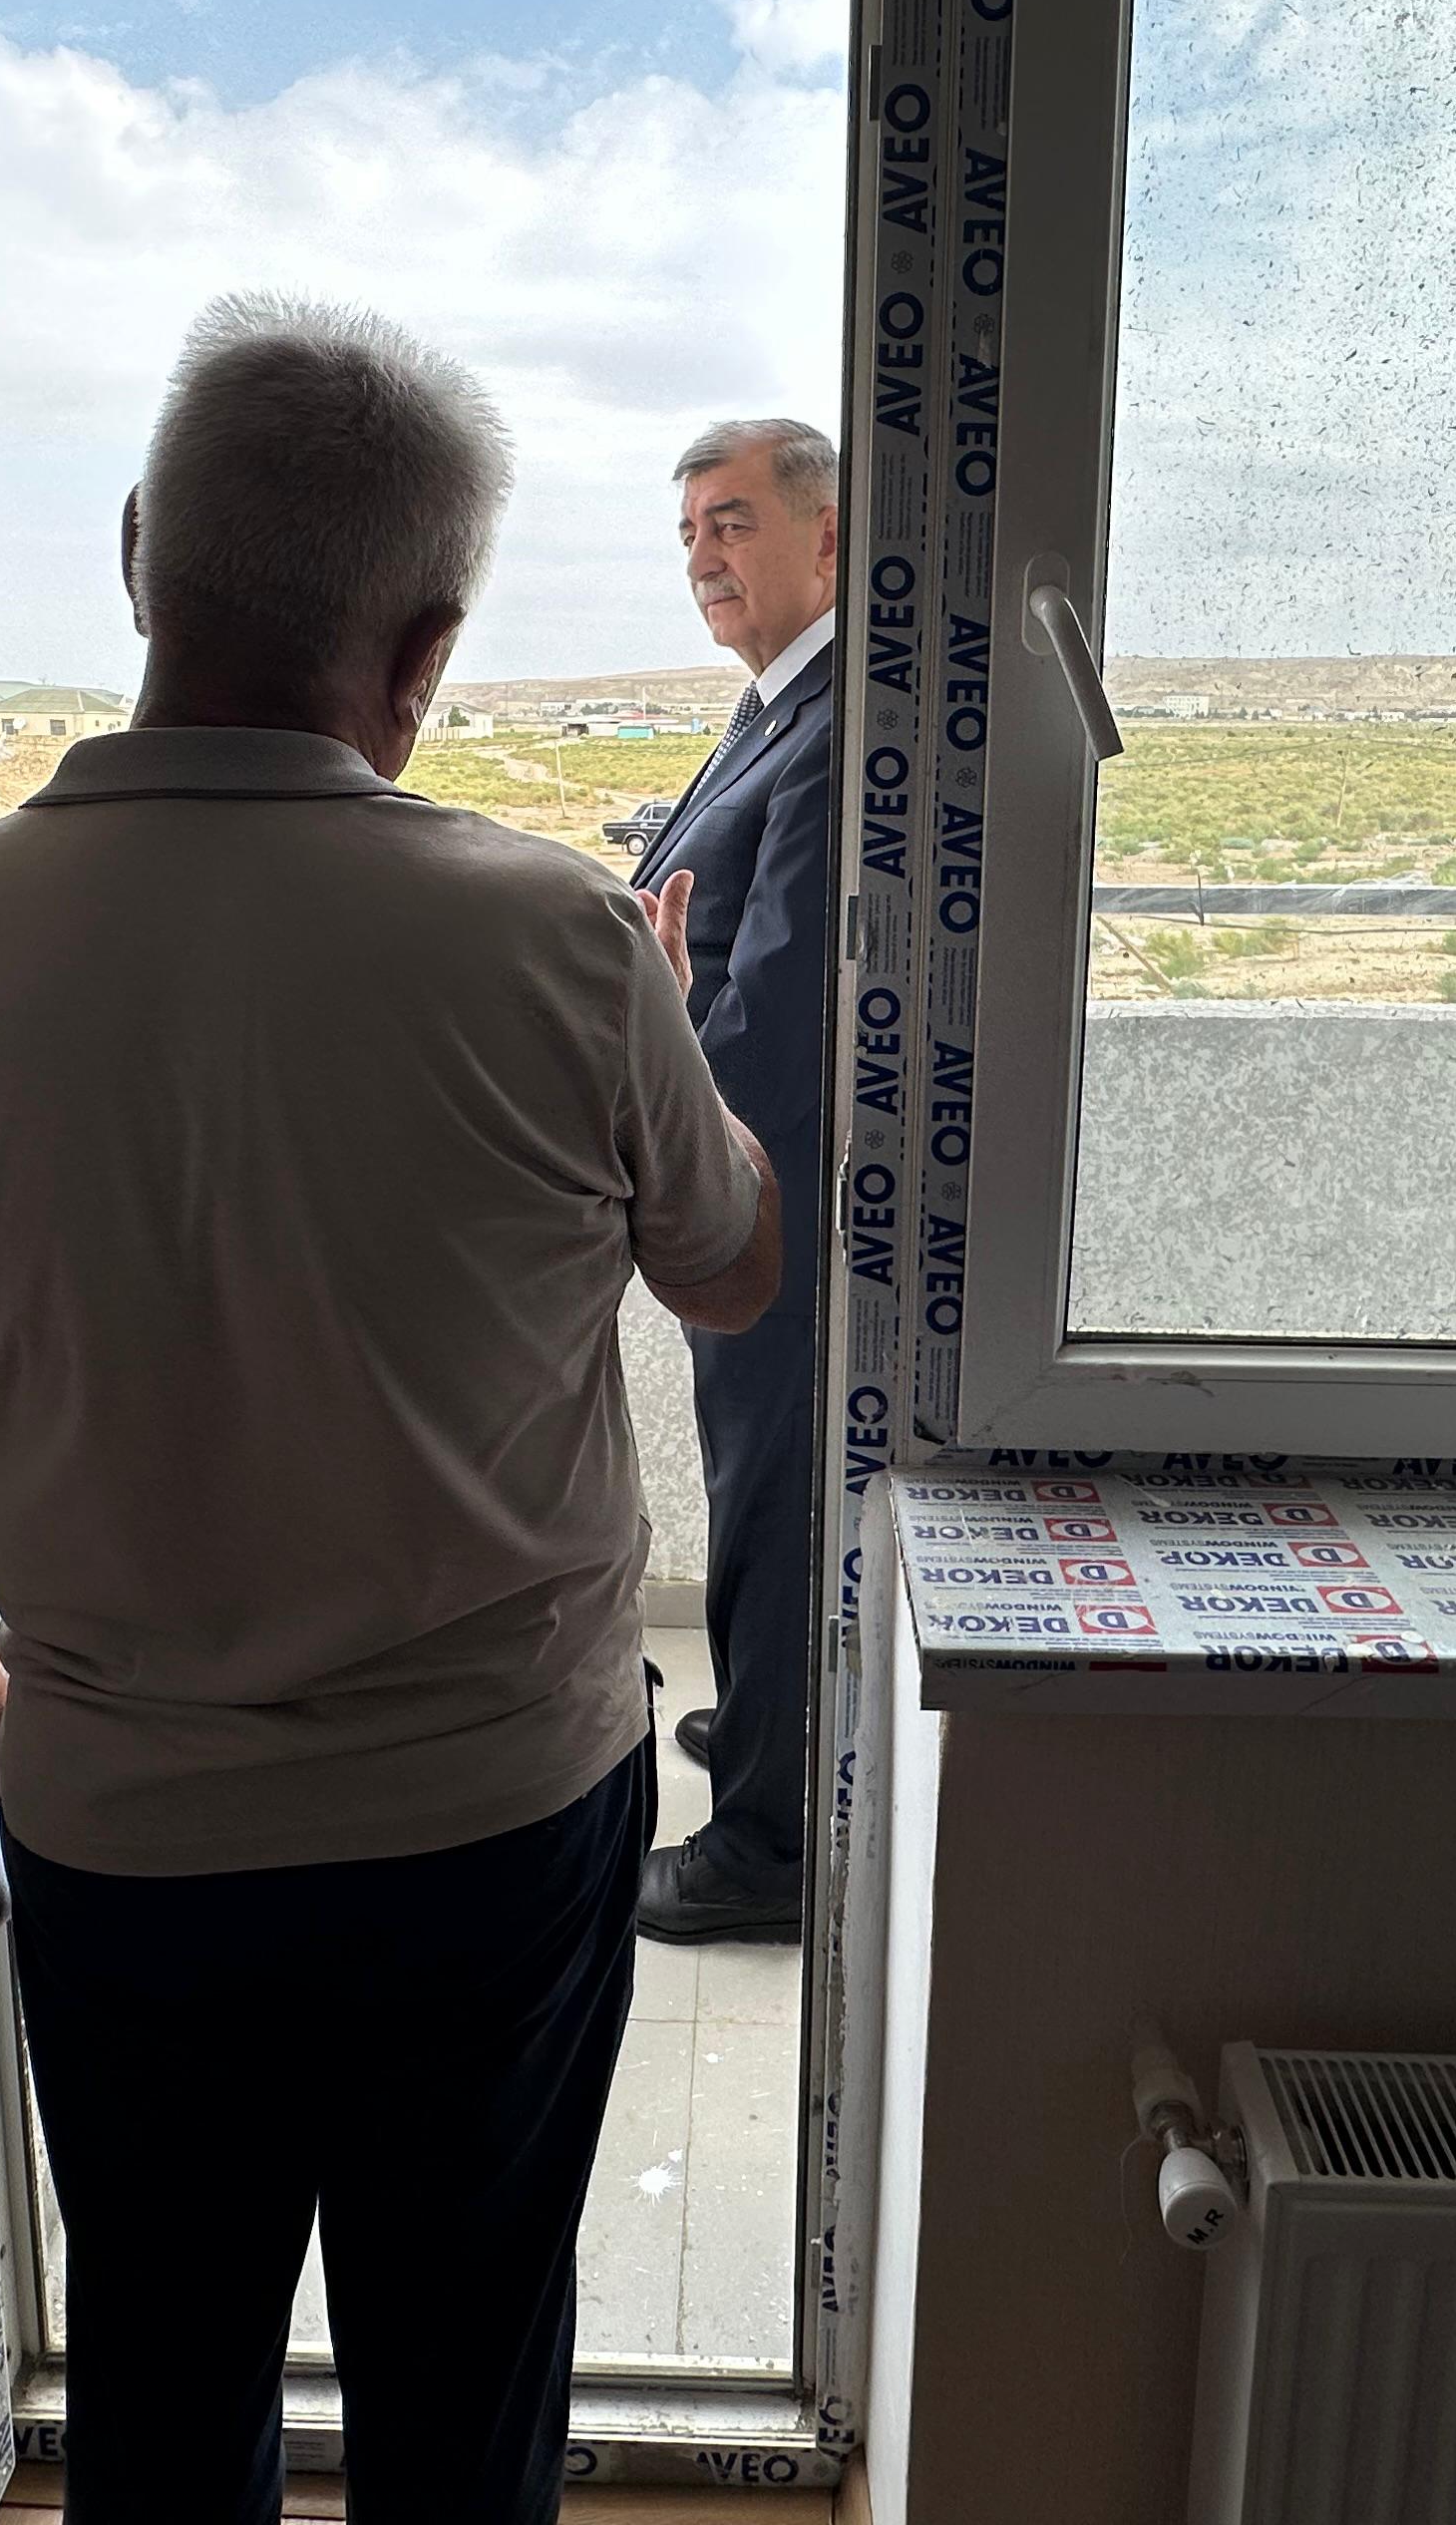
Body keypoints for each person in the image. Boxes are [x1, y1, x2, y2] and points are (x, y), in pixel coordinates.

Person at [0, 294, 784, 2522]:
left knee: (161, 2365)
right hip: (496, 1815)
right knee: (464, 2372)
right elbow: (732, 1268)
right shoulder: (559, 942)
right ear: (427, 652)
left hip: (127, 1826)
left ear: (140, 556)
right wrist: (665, 1030)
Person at [627, 419, 841, 1948]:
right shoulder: (774, 705)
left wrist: (660, 1152)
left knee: (771, 1494)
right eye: (691, 529)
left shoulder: (836, 722)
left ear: (827, 537)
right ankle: (764, 1722)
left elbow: (768, 1012)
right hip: (729, 1174)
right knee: (743, 1474)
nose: (704, 554)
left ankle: (768, 1844)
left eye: (735, 522)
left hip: (767, 1193)